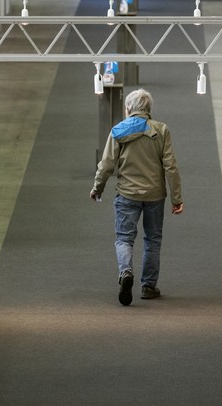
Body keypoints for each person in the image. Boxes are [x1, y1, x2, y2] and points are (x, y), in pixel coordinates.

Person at [90, 88, 184, 306]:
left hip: (127, 194)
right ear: (149, 109)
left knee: (124, 237)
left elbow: (106, 165)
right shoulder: (161, 130)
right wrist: (176, 198)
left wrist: (97, 188)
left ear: (128, 108)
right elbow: (171, 167)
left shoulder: (118, 131)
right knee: (153, 240)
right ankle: (149, 286)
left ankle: (125, 273)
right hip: (155, 195)